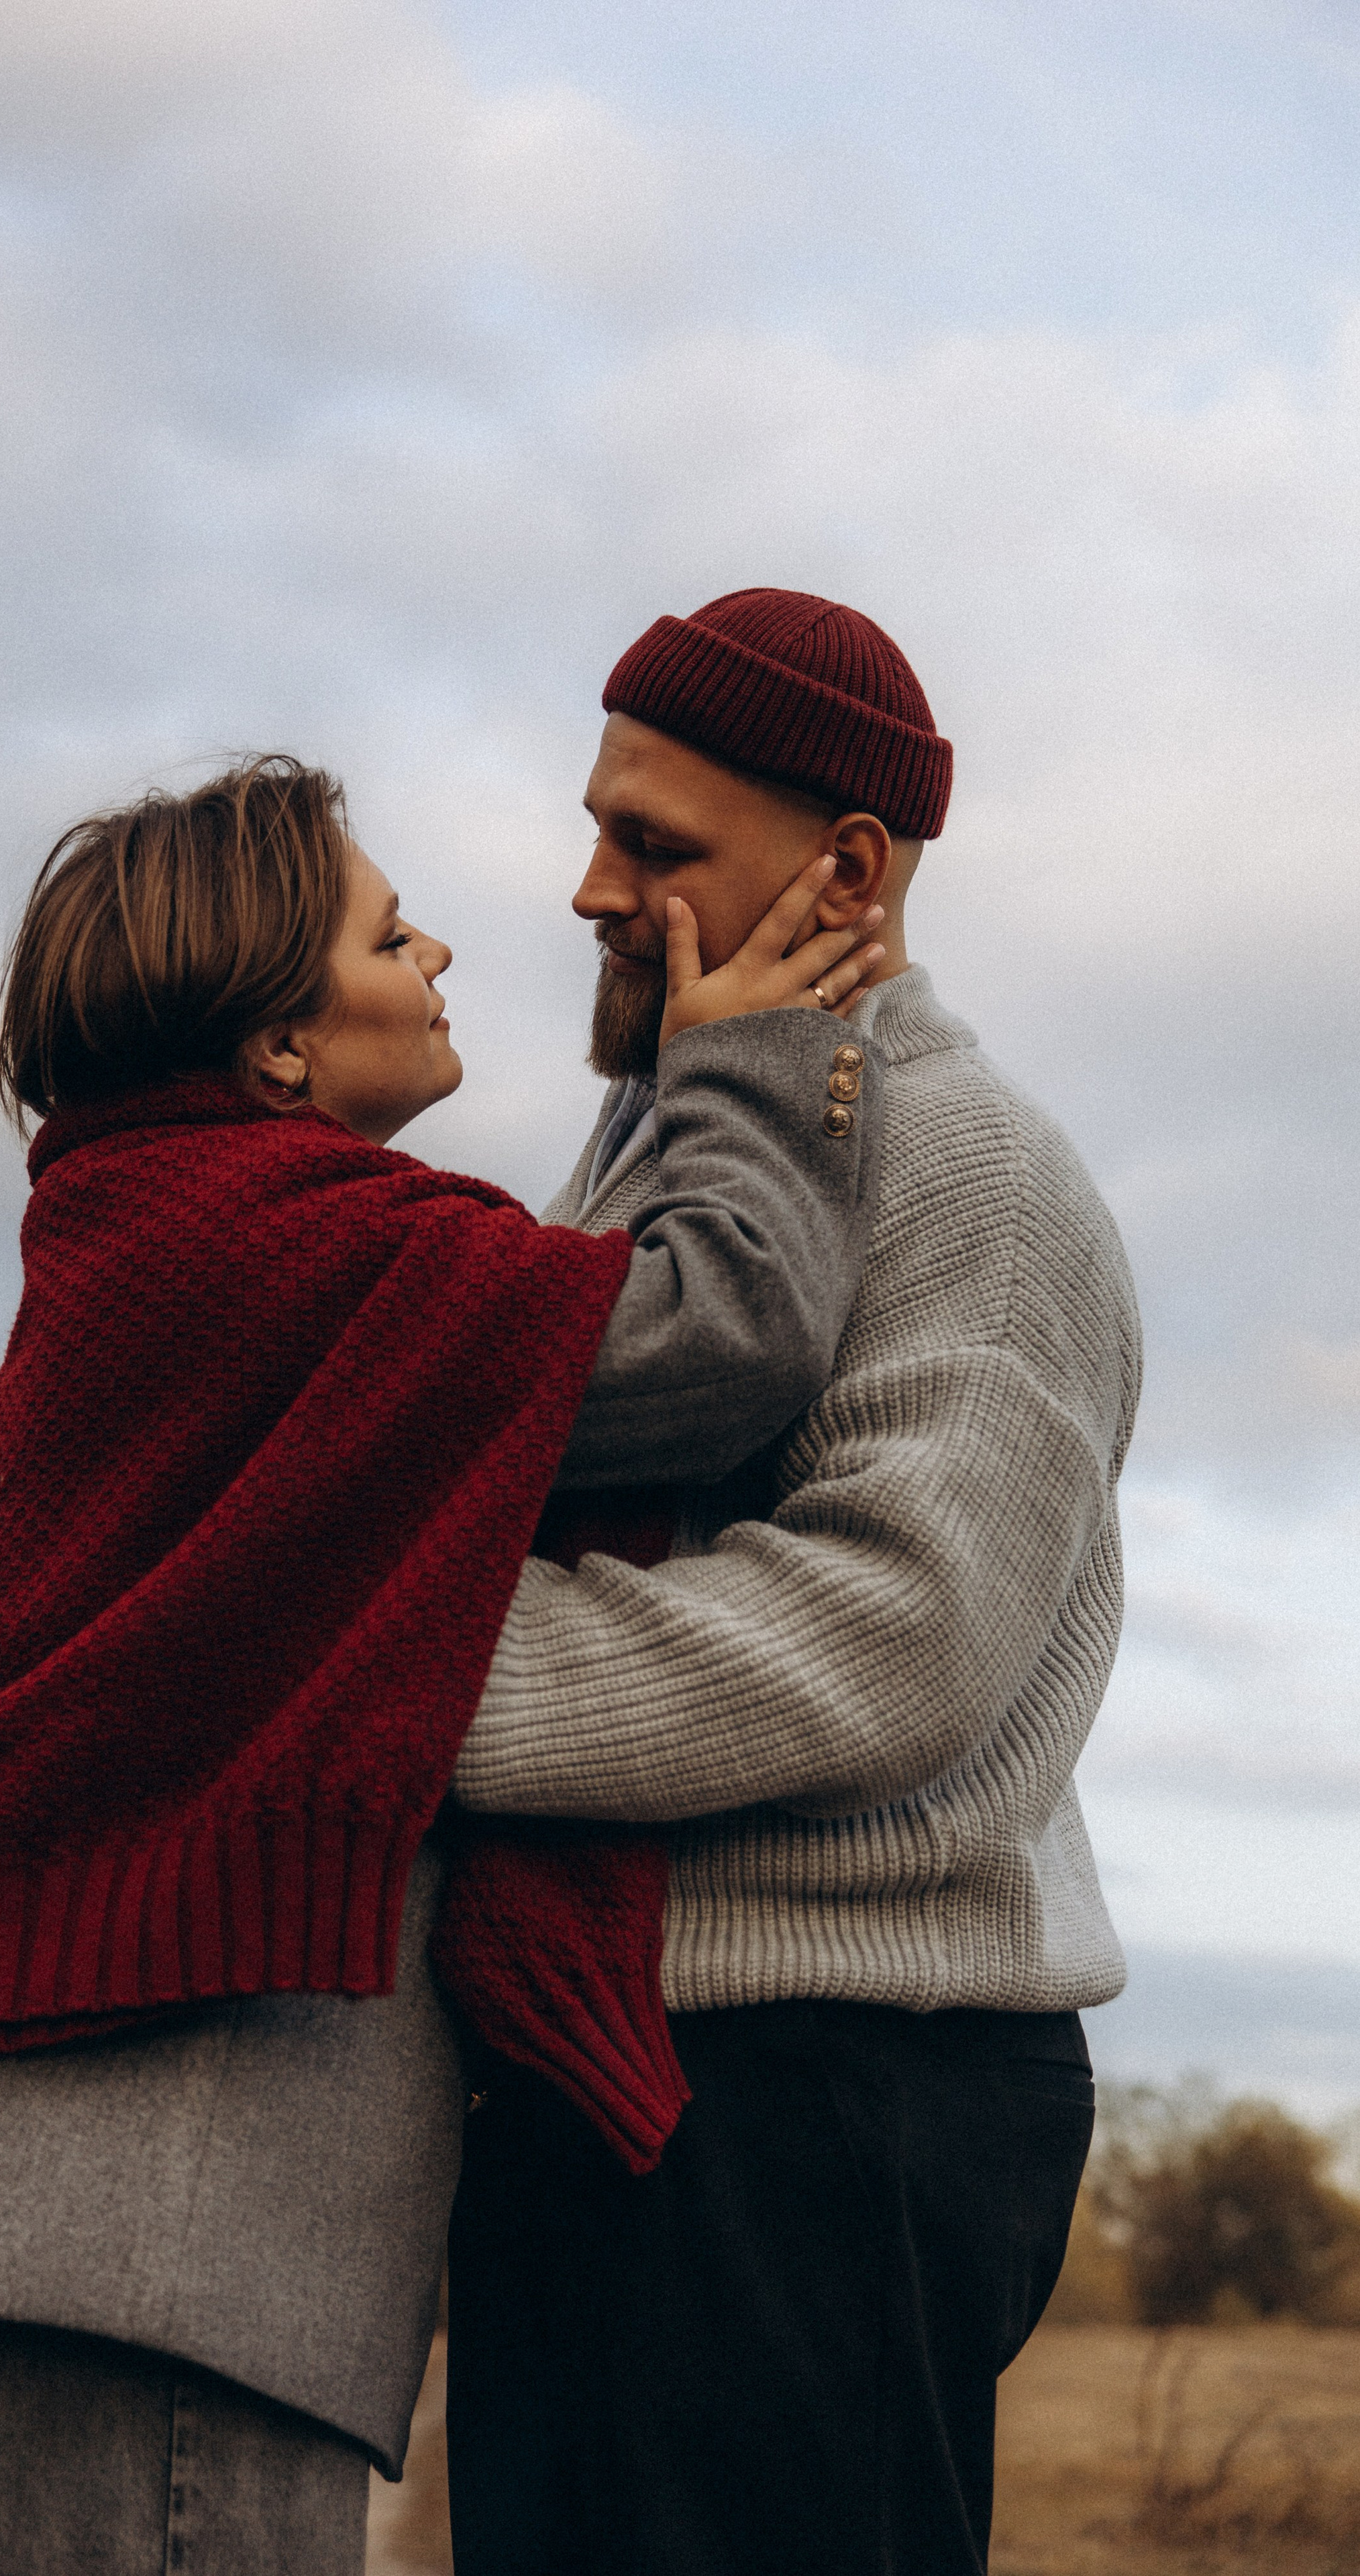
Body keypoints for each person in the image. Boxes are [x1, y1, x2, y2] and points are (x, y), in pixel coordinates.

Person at [0, 753, 888, 2575]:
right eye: (391, 934)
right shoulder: (280, 1248)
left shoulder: (167, 1235)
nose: (446, 947)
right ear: (281, 1050)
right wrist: (751, 1061)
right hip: (149, 2206)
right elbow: (724, 1333)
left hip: (69, 2185)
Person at [445, 588, 1143, 2576]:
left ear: (848, 867)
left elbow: (895, 1635)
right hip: (603, 2077)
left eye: (654, 847)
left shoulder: (973, 1171)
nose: (588, 888)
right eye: (598, 825)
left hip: (836, 2091)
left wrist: (408, 1683)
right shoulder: (658, 1157)